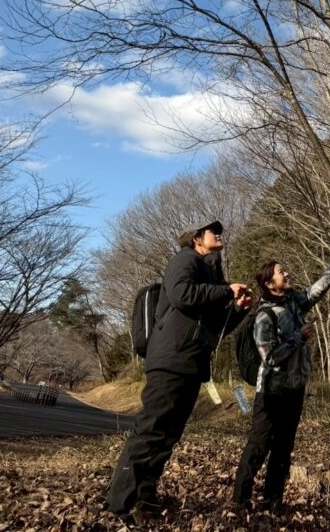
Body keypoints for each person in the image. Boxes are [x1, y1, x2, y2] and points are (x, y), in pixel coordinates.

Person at [106, 220, 252, 520]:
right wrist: (226, 292)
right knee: (150, 431)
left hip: (191, 363)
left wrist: (238, 309)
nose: (219, 234)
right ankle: (118, 504)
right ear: (198, 239)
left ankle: (144, 501)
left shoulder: (211, 274)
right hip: (170, 359)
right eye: (213, 231)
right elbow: (181, 293)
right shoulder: (185, 259)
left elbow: (215, 329)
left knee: (167, 436)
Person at [233, 233, 330, 513]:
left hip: (294, 390)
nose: (286, 273)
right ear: (269, 283)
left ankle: (272, 503)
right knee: (259, 446)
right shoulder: (265, 315)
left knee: (283, 449)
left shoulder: (294, 304)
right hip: (271, 391)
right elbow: (270, 358)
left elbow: (318, 289)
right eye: (281, 272)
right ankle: (240, 501)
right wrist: (298, 338)